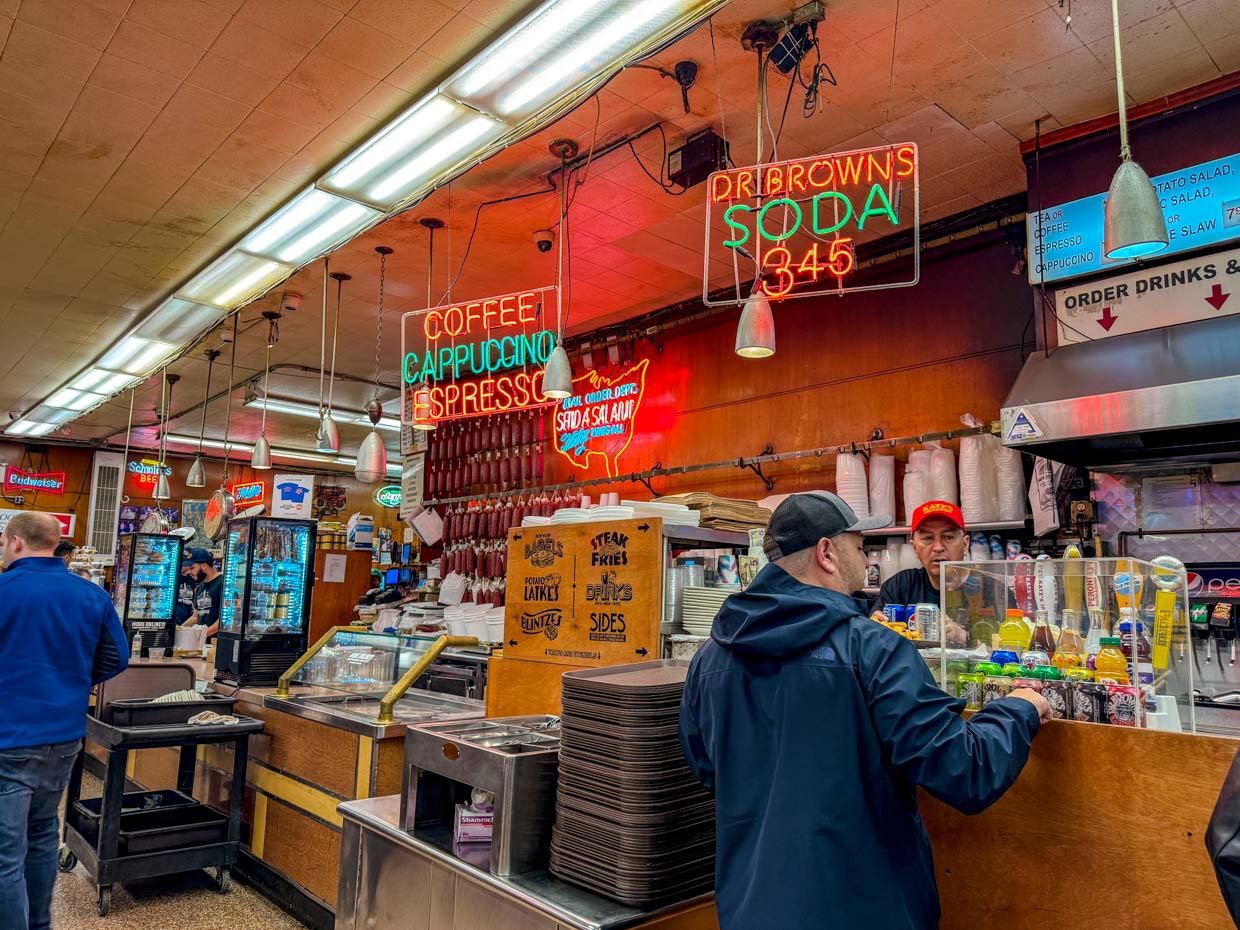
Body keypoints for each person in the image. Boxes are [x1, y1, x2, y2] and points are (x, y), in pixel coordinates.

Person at [679, 492, 1050, 930]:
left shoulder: (709, 658)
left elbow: (707, 767)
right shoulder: (874, 650)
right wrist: (1018, 709)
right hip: (868, 907)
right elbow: (962, 770)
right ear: (827, 553)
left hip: (751, 908)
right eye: (858, 545)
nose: (866, 556)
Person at [0, 512, 128, 930]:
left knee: (5, 852)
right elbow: (115, 658)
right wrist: (68, 678)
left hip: (9, 738)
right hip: (64, 737)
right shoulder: (91, 595)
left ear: (16, 542)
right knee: (40, 836)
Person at [180, 549, 222, 641]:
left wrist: (202, 634)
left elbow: (225, 620)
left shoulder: (222, 583)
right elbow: (195, 616)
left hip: (216, 643)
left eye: (192, 568)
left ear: (204, 566)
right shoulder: (200, 587)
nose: (189, 572)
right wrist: (179, 631)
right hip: (202, 642)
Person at [174, 558, 197, 625]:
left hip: (187, 621)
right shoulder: (174, 577)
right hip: (174, 620)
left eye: (190, 567)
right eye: (186, 566)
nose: (188, 569)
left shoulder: (192, 580)